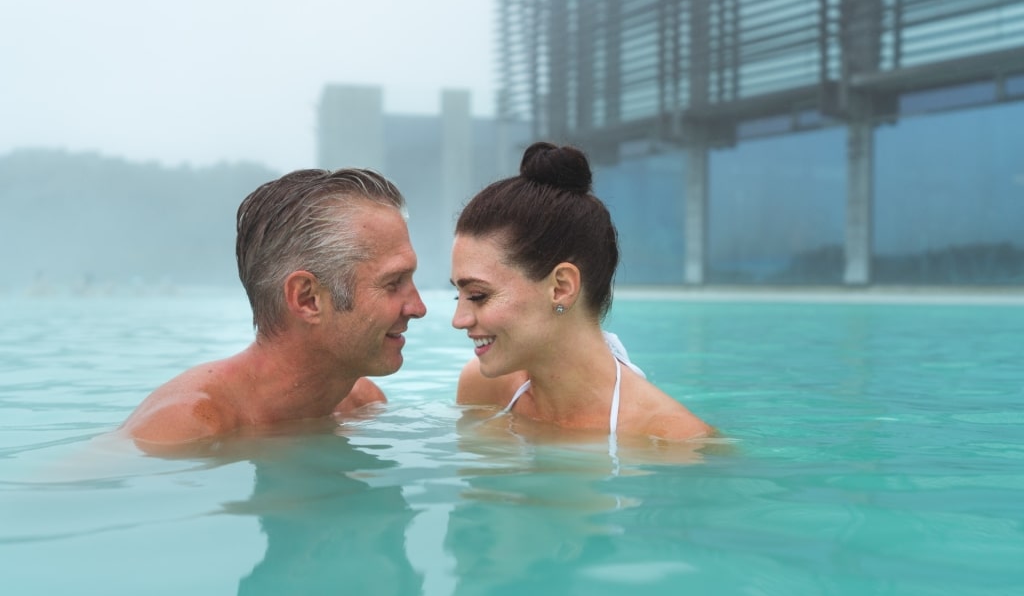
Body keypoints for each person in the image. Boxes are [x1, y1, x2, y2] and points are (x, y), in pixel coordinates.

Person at [121, 167, 427, 446]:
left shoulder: (362, 405)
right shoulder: (188, 427)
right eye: (393, 283)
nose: (418, 307)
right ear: (307, 299)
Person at [450, 141, 713, 445]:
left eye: (479, 295)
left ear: (561, 288)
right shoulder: (484, 390)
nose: (459, 320)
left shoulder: (673, 440)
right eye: (459, 295)